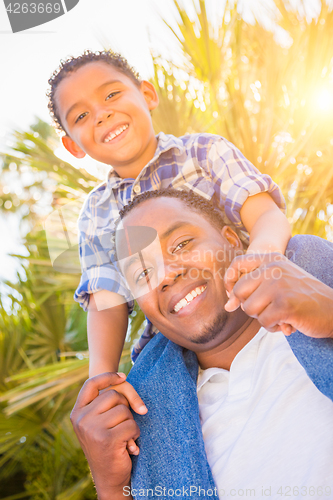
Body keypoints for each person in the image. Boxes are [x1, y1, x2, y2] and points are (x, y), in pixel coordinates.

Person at [47, 50, 291, 389]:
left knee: (306, 256)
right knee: (151, 391)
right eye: (82, 115)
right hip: (177, 334)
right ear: (72, 146)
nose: (101, 114)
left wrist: (265, 252)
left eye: (111, 94)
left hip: (249, 290)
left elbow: (263, 212)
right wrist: (102, 376)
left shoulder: (204, 152)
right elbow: (107, 299)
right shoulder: (96, 212)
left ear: (147, 95)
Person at [71, 189, 333, 500]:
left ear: (232, 241)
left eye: (181, 244)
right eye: (143, 273)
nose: (167, 275)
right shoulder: (151, 419)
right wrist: (112, 486)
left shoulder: (317, 285)